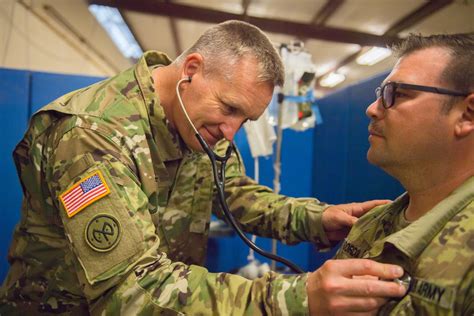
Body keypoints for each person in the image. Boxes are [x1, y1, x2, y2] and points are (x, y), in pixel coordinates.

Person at [0, 20, 406, 314]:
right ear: (191, 70)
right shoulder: (92, 134)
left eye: (245, 119)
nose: (231, 133)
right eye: (229, 109)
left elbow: (238, 196)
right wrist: (300, 296)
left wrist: (319, 218)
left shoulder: (198, 124)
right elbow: (135, 292)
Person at [331, 33, 474, 315]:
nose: (372, 109)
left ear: (467, 114)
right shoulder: (370, 224)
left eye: (397, 94)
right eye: (380, 94)